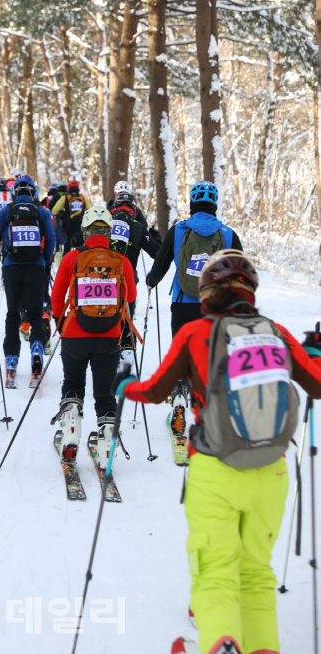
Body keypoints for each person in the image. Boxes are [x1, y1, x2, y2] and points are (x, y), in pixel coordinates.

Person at [113, 249, 321, 654]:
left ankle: (221, 643)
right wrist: (313, 352)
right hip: (272, 473)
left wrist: (124, 386)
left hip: (215, 470)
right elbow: (316, 384)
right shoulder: (276, 332)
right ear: (251, 293)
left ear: (206, 293)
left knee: (215, 574)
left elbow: (155, 390)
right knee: (257, 575)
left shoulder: (195, 333)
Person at [145, 181, 243, 435]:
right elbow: (242, 273)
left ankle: (179, 397)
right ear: (214, 205)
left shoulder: (178, 231)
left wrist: (151, 281)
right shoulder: (229, 235)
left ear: (192, 204)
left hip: (182, 305)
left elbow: (161, 262)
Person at [51, 206, 137, 467]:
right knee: (104, 393)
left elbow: (56, 297)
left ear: (85, 232)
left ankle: (70, 431)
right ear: (109, 233)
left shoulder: (72, 258)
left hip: (75, 334)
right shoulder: (121, 261)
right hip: (109, 335)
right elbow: (131, 297)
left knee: (73, 383)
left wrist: (60, 321)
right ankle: (106, 444)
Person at [0, 174, 55, 386]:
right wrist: (46, 261)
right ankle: (37, 349)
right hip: (36, 267)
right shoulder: (42, 212)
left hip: (12, 267)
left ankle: (11, 359)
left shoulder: (6, 211)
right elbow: (52, 238)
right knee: (36, 314)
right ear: (33, 193)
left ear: (14, 193)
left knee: (12, 315)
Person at [109, 191, 161, 366]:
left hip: (104, 280)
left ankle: (109, 355)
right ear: (134, 209)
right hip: (128, 280)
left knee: (107, 316)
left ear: (114, 208)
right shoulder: (138, 226)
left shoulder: (105, 223)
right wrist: (155, 236)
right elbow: (157, 253)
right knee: (126, 318)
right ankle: (128, 357)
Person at [52, 180, 92, 254]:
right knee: (80, 244)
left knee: (67, 243)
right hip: (80, 225)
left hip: (68, 225)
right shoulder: (83, 198)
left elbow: (54, 210)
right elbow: (90, 210)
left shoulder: (65, 197)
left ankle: (66, 260)